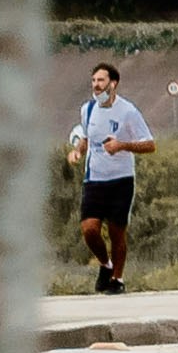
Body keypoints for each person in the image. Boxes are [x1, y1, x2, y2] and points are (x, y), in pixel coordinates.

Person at [65, 61, 155, 293]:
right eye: (94, 81)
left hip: (121, 180)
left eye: (101, 81)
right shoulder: (88, 109)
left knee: (117, 232)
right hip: (94, 179)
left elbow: (149, 144)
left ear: (113, 84)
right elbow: (86, 137)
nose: (96, 85)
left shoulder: (128, 111)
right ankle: (105, 264)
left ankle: (117, 279)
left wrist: (122, 145)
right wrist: (78, 151)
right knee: (89, 229)